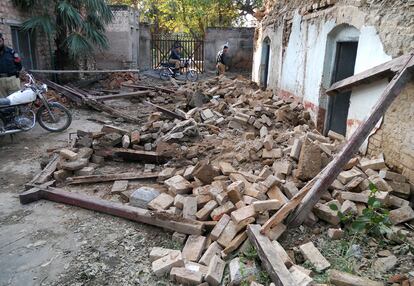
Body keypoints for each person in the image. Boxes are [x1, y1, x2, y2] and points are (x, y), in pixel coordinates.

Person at [0, 33, 22, 98]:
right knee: (3, 105)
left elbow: (19, 66)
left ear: (2, 40)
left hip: (12, 80)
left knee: (16, 102)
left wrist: (14, 75)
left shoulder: (11, 52)